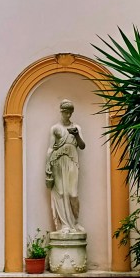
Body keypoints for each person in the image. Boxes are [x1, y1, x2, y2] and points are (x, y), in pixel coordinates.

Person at [45, 100, 86, 234]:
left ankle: (75, 222)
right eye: (65, 112)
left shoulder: (77, 128)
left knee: (73, 194)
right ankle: (64, 225)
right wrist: (47, 164)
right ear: (61, 112)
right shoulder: (55, 128)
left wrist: (76, 135)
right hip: (57, 160)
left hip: (72, 160)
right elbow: (51, 148)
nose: (68, 115)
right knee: (61, 193)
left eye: (70, 112)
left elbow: (82, 146)